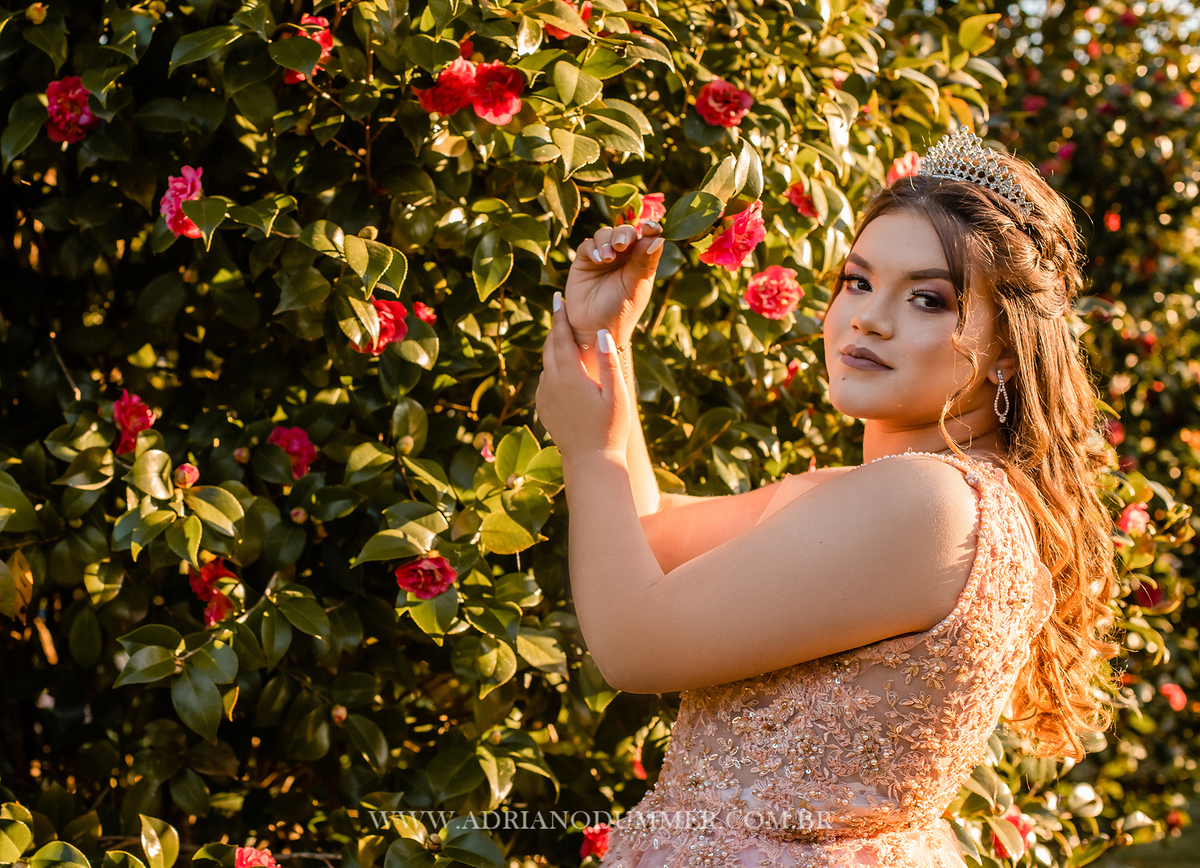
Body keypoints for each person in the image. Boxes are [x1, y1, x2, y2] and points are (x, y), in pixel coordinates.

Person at [534, 127, 1122, 867]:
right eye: (858, 280)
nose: (870, 318)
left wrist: (587, 449)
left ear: (1008, 343)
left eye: (929, 299)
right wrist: (607, 345)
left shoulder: (926, 503)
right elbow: (644, 536)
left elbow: (630, 645)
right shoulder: (881, 498)